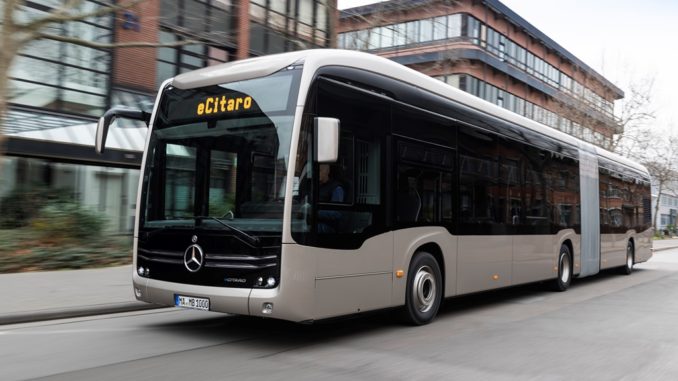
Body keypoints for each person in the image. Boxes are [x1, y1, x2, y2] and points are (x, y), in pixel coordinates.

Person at [317, 164, 345, 233]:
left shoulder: (336, 188)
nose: (317, 173)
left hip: (328, 226)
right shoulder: (317, 186)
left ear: (327, 171)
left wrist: (315, 212)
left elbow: (337, 213)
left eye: (320, 170)